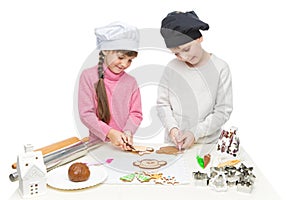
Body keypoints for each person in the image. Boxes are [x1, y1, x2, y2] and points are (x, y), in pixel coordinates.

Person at [157, 11, 233, 149]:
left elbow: (223, 111)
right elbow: (163, 104)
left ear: (199, 38)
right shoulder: (172, 68)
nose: (183, 57)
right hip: (174, 144)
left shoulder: (220, 68)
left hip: (206, 145)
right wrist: (172, 129)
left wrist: (195, 132)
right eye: (176, 53)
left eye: (186, 49)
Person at [78, 21, 143, 150]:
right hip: (97, 146)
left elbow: (136, 113)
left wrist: (128, 132)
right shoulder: (88, 77)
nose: (124, 64)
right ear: (106, 50)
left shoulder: (131, 82)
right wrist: (110, 132)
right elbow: (86, 114)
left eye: (129, 60)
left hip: (123, 146)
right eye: (121, 57)